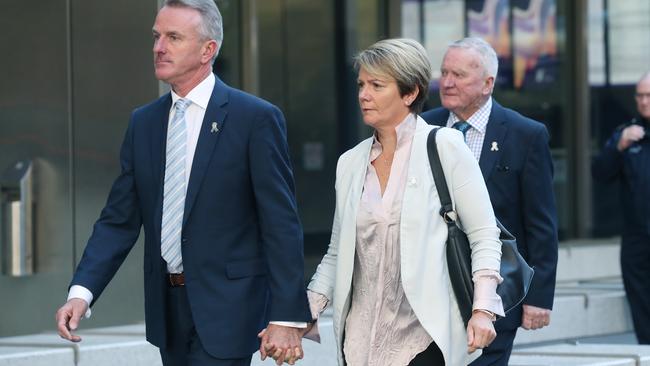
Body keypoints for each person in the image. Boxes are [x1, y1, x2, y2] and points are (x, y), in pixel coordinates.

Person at [54, 1, 311, 365]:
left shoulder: (254, 118)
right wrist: (82, 292)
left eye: (173, 37)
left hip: (230, 312)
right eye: (157, 36)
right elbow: (119, 220)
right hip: (168, 313)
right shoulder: (143, 123)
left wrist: (286, 316)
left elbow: (280, 223)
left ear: (209, 50)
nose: (159, 47)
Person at [299, 38, 504, 366]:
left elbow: (484, 236)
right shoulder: (350, 163)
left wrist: (483, 310)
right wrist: (306, 309)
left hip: (423, 338)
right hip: (359, 342)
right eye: (361, 84)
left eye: (377, 85)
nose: (364, 94)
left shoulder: (445, 147)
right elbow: (338, 252)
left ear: (410, 92)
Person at [421, 37, 559, 366]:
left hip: (496, 293)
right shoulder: (425, 126)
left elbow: (541, 223)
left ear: (488, 83)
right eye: (444, 72)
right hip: (431, 290)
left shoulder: (526, 134)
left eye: (459, 74)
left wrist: (539, 297)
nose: (447, 82)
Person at [592, 72, 650, 345]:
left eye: (649, 96)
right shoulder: (627, 134)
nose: (644, 101)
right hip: (637, 236)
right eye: (640, 95)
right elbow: (600, 174)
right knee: (640, 300)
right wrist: (618, 146)